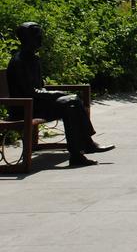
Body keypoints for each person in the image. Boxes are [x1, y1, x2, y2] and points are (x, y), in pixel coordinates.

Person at [5, 22, 114, 167]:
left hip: (35, 104)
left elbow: (40, 88)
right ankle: (84, 147)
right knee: (70, 103)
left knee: (71, 103)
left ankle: (80, 152)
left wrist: (57, 95)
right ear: (26, 39)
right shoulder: (19, 62)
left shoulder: (33, 59)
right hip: (23, 108)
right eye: (37, 37)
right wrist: (58, 94)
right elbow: (30, 92)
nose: (40, 41)